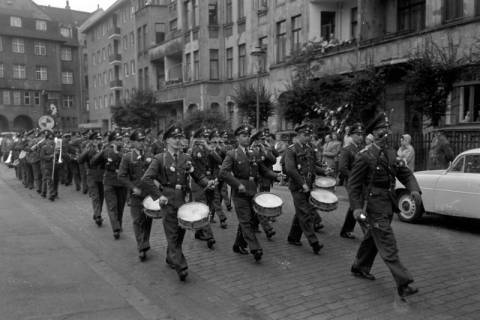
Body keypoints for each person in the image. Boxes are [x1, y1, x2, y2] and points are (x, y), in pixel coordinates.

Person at [348, 112, 421, 299]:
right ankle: (403, 283)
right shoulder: (364, 156)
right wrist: (356, 207)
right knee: (388, 243)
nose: (386, 133)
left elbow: (404, 173)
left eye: (387, 130)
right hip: (373, 205)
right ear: (373, 134)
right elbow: (353, 185)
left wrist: (414, 189)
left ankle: (359, 266)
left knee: (373, 237)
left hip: (388, 203)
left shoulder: (390, 152)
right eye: (382, 130)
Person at [142, 124, 214, 281]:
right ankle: (181, 266)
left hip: (183, 199)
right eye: (174, 138)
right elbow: (146, 179)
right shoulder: (160, 159)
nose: (178, 140)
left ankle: (170, 256)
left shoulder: (186, 158)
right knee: (172, 233)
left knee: (179, 233)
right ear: (166, 140)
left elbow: (197, 175)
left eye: (180, 137)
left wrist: (207, 183)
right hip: (167, 199)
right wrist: (158, 195)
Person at [219, 124, 279, 262]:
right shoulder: (232, 154)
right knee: (245, 221)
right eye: (243, 136)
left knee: (249, 220)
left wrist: (276, 176)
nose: (246, 138)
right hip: (240, 192)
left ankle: (238, 245)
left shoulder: (254, 153)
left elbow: (263, 170)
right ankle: (255, 247)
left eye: (247, 136)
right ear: (237, 138)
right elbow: (223, 172)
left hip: (253, 190)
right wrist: (237, 184)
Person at [284, 124, 325, 254]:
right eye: (305, 135)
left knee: (301, 212)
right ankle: (314, 242)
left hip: (308, 186)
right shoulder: (291, 150)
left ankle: (293, 237)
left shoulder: (309, 149)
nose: (308, 138)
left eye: (309, 135)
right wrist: (302, 183)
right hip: (298, 187)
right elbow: (290, 169)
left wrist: (324, 171)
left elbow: (313, 167)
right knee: (305, 213)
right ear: (298, 135)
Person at [118, 130, 153, 261]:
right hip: (136, 195)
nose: (141, 143)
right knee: (137, 221)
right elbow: (121, 176)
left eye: (143, 140)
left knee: (147, 220)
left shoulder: (149, 155)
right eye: (139, 141)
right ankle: (141, 246)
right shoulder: (128, 157)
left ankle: (145, 241)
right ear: (132, 142)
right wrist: (132, 187)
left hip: (149, 194)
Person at [91, 131, 128, 239]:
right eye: (117, 140)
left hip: (121, 182)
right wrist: (101, 152)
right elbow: (93, 162)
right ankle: (115, 228)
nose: (120, 141)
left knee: (120, 206)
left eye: (121, 139)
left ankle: (118, 224)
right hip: (109, 181)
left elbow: (130, 161)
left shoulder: (125, 151)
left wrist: (117, 153)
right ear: (112, 141)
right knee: (112, 206)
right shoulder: (106, 151)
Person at [338, 123, 365, 239]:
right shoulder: (347, 150)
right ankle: (367, 230)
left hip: (361, 182)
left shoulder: (362, 149)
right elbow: (342, 168)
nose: (360, 137)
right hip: (351, 182)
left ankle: (346, 230)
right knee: (357, 204)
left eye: (361, 134)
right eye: (358, 134)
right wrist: (354, 177)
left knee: (355, 205)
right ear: (352, 135)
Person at [78, 132, 105, 227]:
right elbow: (80, 160)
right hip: (92, 175)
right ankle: (98, 216)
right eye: (96, 140)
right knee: (95, 196)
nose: (98, 141)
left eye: (99, 139)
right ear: (92, 141)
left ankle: (97, 212)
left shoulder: (104, 148)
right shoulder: (89, 149)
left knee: (101, 196)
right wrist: (86, 150)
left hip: (102, 176)